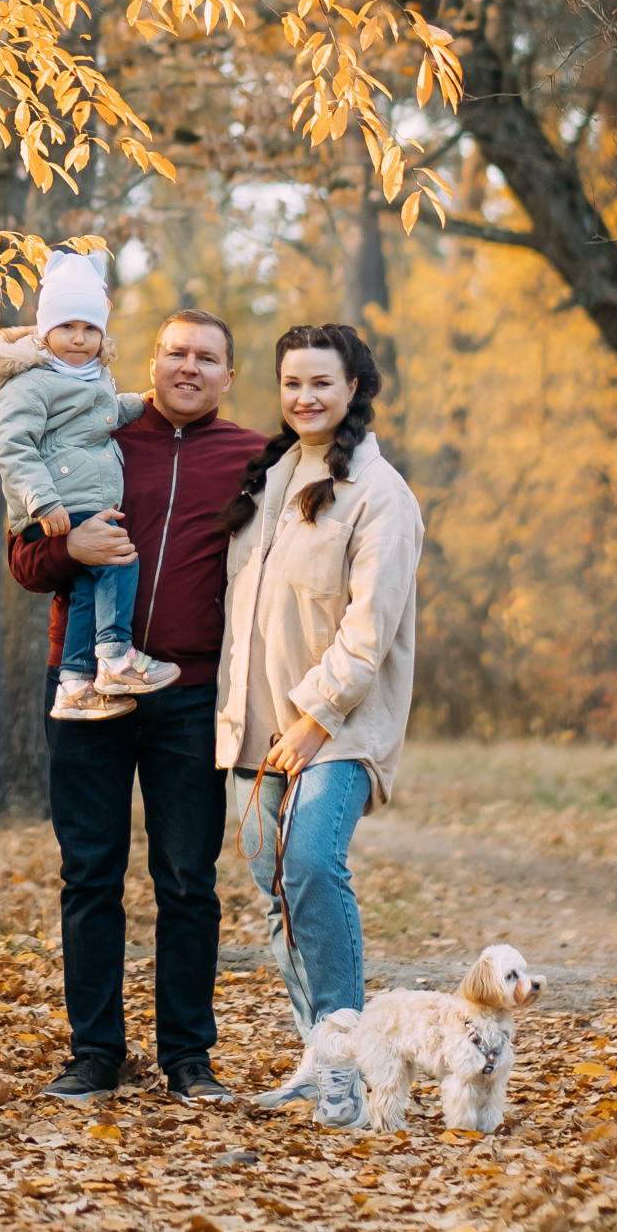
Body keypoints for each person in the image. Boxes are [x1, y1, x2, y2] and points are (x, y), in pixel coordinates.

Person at [8, 309, 267, 1104]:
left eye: (207, 358)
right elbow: (24, 558)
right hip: (84, 689)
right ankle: (95, 1054)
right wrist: (67, 548)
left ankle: (189, 1058)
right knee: (90, 874)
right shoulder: (96, 431)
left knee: (188, 880)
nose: (189, 367)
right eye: (175, 352)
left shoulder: (255, 459)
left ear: (229, 376)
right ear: (150, 364)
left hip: (188, 695)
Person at [216, 322, 422, 1047]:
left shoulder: (380, 494)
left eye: (321, 382)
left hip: (338, 729)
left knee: (308, 864)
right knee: (277, 892)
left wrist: (315, 719)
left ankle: (348, 1054)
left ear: (353, 388)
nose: (305, 396)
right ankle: (324, 1057)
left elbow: (368, 631)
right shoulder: (268, 479)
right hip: (256, 728)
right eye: (292, 383)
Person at [0, 251, 177, 719]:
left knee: (88, 586)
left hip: (76, 499)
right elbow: (13, 446)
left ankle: (73, 684)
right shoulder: (31, 382)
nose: (78, 338)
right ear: (44, 328)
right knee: (118, 558)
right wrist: (42, 500)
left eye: (90, 328)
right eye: (67, 326)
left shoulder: (92, 376)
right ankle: (115, 657)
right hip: (55, 502)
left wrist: (139, 404)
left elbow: (99, 414)